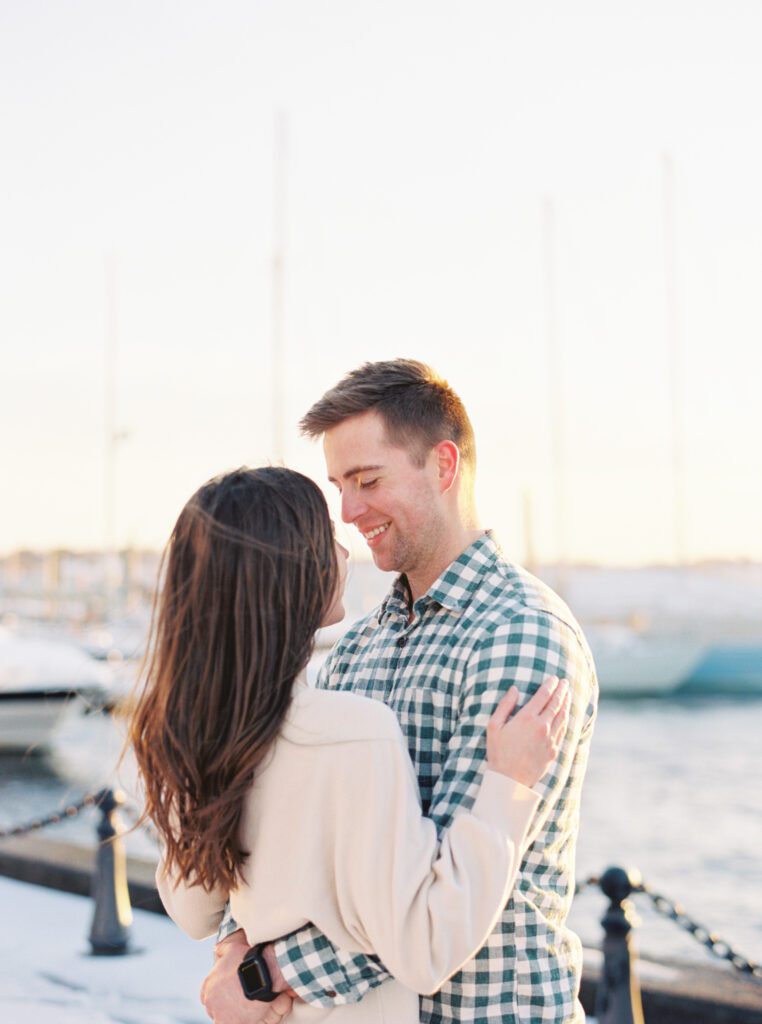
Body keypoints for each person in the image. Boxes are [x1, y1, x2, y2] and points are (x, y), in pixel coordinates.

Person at [203, 360, 599, 1024]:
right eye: (339, 486)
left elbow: (438, 902)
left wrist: (264, 972)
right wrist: (236, 945)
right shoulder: (356, 649)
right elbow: (296, 850)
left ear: (442, 467)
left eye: (367, 480)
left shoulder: (519, 637)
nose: (349, 512)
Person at [130, 465, 571, 1024]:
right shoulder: (357, 732)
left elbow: (194, 912)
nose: (345, 543)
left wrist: (255, 965)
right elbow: (426, 945)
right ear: (294, 575)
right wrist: (507, 787)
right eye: (326, 535)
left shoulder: (198, 735)